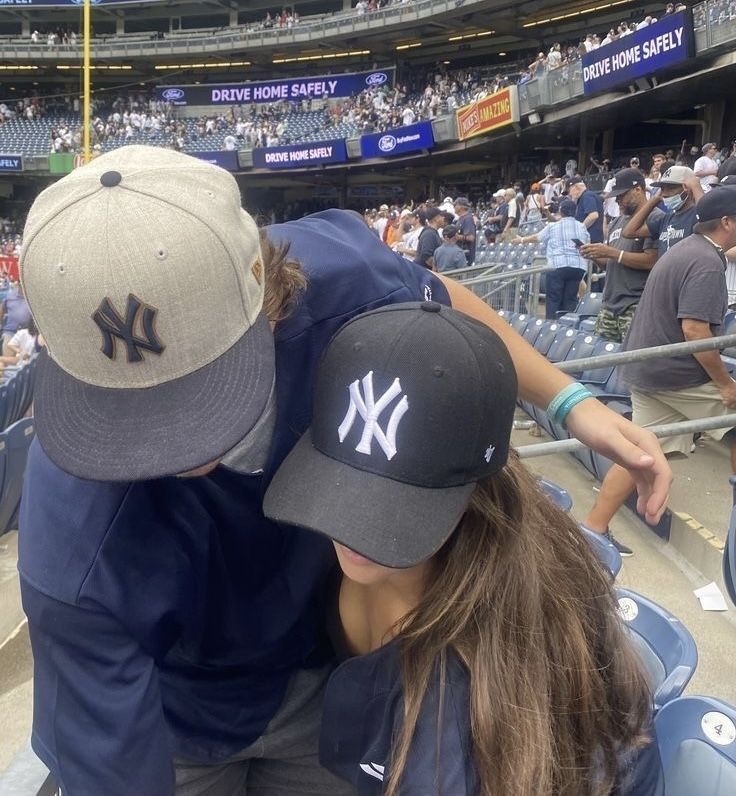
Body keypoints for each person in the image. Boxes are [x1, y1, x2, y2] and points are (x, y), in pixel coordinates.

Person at [18, 147, 670, 796]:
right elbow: (112, 763)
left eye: (200, 388)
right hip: (178, 711)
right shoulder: (70, 537)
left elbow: (438, 307)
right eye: (131, 408)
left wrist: (569, 401)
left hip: (322, 667)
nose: (174, 443)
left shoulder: (340, 276)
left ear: (266, 287)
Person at [263, 302, 662, 796]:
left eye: (397, 504)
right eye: (344, 484)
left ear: (476, 491)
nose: (351, 531)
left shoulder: (476, 703)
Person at [584, 186, 736, 552]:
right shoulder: (707, 262)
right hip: (674, 375)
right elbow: (695, 331)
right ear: (728, 223)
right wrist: (726, 383)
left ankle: (592, 529)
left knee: (643, 452)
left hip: (647, 369)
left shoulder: (685, 249)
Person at [580, 168, 657, 346]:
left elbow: (652, 261)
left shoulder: (654, 218)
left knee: (633, 363)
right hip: (610, 303)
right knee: (602, 362)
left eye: (622, 195)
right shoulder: (617, 221)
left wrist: (612, 253)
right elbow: (612, 263)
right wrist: (594, 254)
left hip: (636, 304)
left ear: (638, 189)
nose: (617, 200)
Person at [513, 198, 589, 319]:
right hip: (577, 267)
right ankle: (567, 327)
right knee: (570, 300)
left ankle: (552, 329)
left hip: (557, 267)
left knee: (554, 300)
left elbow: (537, 238)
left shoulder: (553, 226)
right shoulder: (582, 227)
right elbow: (587, 243)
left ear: (561, 211)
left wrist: (521, 240)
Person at [621, 166, 703, 260]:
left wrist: (695, 187)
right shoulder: (666, 219)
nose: (664, 194)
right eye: (663, 189)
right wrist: (654, 200)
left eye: (671, 188)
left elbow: (708, 217)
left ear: (687, 187)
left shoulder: (696, 216)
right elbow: (629, 232)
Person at [568, 176, 604, 242]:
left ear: (576, 187)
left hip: (592, 240)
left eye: (569, 190)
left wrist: (580, 230)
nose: (569, 194)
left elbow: (593, 215)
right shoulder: (584, 197)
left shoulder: (587, 196)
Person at [453, 196, 476, 265]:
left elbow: (471, 238)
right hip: (460, 253)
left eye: (455, 205)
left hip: (466, 255)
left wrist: (457, 237)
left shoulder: (467, 219)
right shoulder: (461, 218)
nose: (454, 207)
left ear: (461, 207)